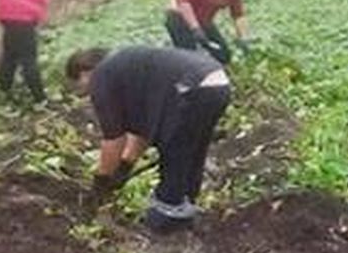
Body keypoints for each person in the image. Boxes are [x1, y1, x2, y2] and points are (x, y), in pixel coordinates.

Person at [66, 46, 232, 235]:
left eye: (79, 82)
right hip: (218, 84)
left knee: (173, 151)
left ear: (85, 71)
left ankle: (165, 221)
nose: (84, 89)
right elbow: (142, 131)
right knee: (192, 151)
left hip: (192, 88)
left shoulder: (102, 76)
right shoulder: (128, 69)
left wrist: (101, 182)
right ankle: (185, 209)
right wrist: (125, 165)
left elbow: (113, 140)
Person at [164, 0, 250, 65]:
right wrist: (195, 28)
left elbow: (238, 15)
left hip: (204, 20)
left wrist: (243, 38)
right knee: (190, 58)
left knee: (223, 55)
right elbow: (185, 3)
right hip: (179, 17)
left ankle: (209, 66)